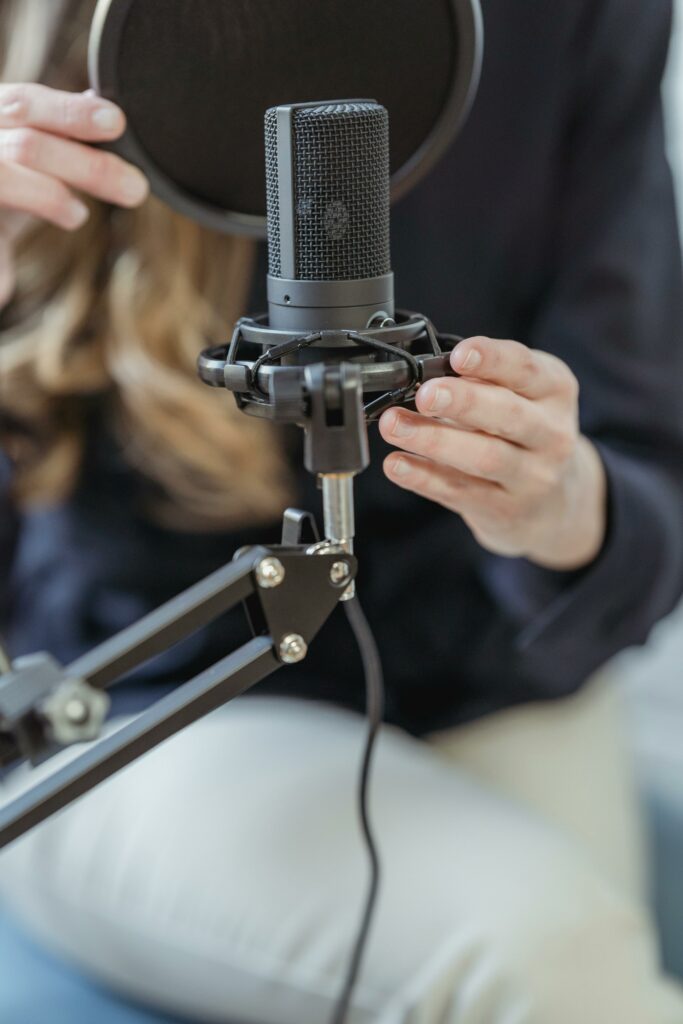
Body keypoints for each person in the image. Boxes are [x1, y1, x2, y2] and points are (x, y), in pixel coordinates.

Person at [1, 0, 683, 1022]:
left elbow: (646, 471)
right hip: (142, 694)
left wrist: (563, 506)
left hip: (486, 667)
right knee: (549, 960)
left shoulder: (580, 20)